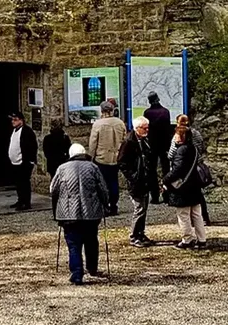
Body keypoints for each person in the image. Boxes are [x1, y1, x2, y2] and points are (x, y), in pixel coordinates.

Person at [49, 141, 111, 285]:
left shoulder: (62, 168)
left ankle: (77, 274)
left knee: (73, 244)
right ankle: (92, 268)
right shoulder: (93, 167)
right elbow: (103, 189)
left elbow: (53, 190)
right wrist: (105, 204)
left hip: (69, 213)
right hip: (91, 213)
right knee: (91, 241)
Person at [164, 112, 210, 249]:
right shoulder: (193, 148)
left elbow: (177, 168)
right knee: (197, 213)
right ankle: (202, 239)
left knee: (183, 215)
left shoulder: (181, 150)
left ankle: (187, 240)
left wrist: (165, 179)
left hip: (183, 186)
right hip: (194, 183)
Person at [87, 97, 127, 215]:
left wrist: (91, 156)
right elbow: (125, 140)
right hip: (116, 157)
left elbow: (93, 143)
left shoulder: (98, 124)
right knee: (114, 181)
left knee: (102, 183)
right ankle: (114, 205)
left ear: (102, 111)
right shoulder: (120, 123)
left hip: (102, 157)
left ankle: (105, 205)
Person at [120, 115, 155, 247]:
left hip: (144, 179)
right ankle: (134, 235)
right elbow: (122, 162)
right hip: (136, 180)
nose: (147, 130)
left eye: (147, 128)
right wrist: (133, 176)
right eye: (144, 128)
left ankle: (140, 233)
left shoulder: (145, 140)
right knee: (139, 208)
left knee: (144, 208)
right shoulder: (129, 142)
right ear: (137, 128)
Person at [143, 90, 174, 201]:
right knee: (166, 169)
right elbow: (168, 130)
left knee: (152, 170)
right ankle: (167, 194)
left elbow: (147, 131)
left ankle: (155, 195)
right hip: (165, 144)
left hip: (152, 145)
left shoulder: (147, 113)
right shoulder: (165, 112)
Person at [7, 110, 39, 210]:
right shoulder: (14, 131)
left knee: (24, 183)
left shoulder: (26, 131)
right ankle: (20, 200)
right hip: (15, 162)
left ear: (21, 120)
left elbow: (32, 146)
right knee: (18, 183)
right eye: (12, 120)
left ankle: (26, 202)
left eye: (15, 120)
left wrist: (30, 160)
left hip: (24, 162)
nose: (13, 122)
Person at [42, 113, 72, 178]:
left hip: (52, 165)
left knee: (53, 181)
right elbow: (68, 150)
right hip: (63, 164)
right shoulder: (64, 138)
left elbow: (46, 152)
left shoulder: (47, 138)